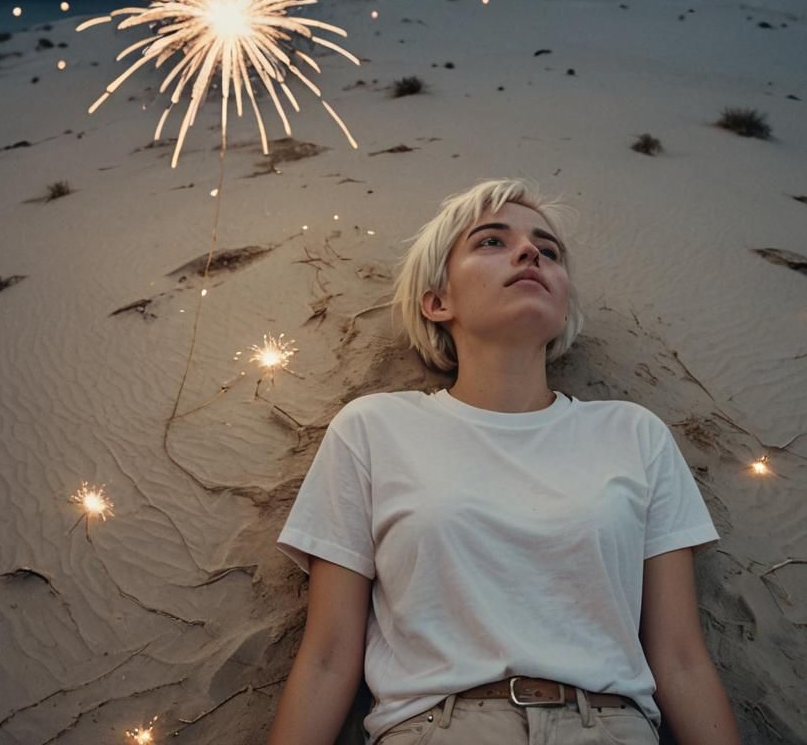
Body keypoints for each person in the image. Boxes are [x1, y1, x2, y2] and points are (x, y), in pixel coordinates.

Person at [266, 179, 740, 745]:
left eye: (550, 251)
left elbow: (681, 659)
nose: (530, 252)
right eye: (491, 241)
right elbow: (326, 657)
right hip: (439, 729)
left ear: (562, 305)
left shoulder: (635, 434)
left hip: (609, 727)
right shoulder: (373, 429)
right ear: (437, 302)